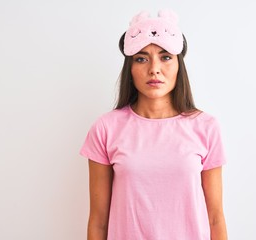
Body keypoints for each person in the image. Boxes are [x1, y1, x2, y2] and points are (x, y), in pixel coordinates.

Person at [80, 9, 228, 240]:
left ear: (179, 64)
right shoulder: (106, 128)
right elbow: (98, 221)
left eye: (165, 56)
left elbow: (215, 217)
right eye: (141, 58)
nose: (154, 69)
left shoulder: (206, 127)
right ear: (130, 67)